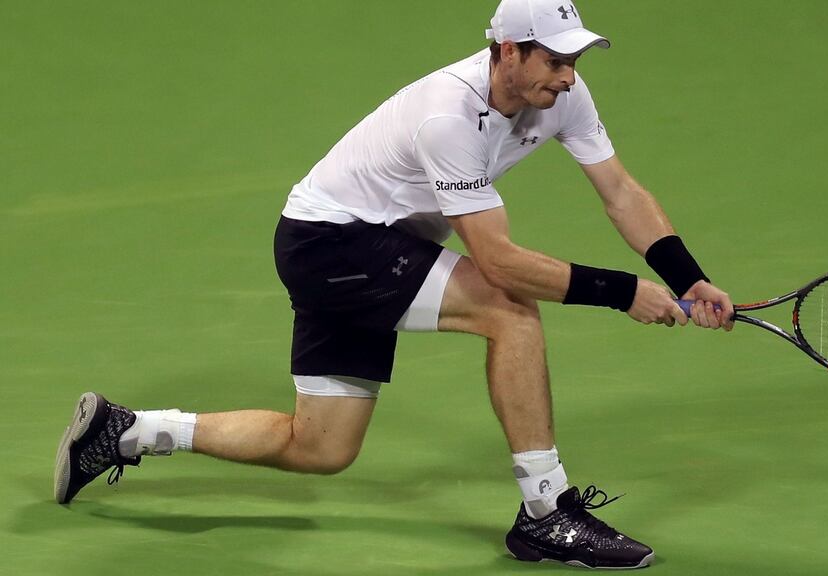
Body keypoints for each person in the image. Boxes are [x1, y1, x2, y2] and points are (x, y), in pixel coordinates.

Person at [53, 0, 734, 569]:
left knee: (321, 448)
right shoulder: (449, 115)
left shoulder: (565, 97)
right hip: (331, 243)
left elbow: (619, 192)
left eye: (573, 61)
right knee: (510, 310)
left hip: (371, 244)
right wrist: (622, 292)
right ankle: (545, 513)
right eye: (554, 60)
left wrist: (687, 277)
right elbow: (497, 262)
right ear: (507, 52)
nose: (567, 77)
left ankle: (126, 432)